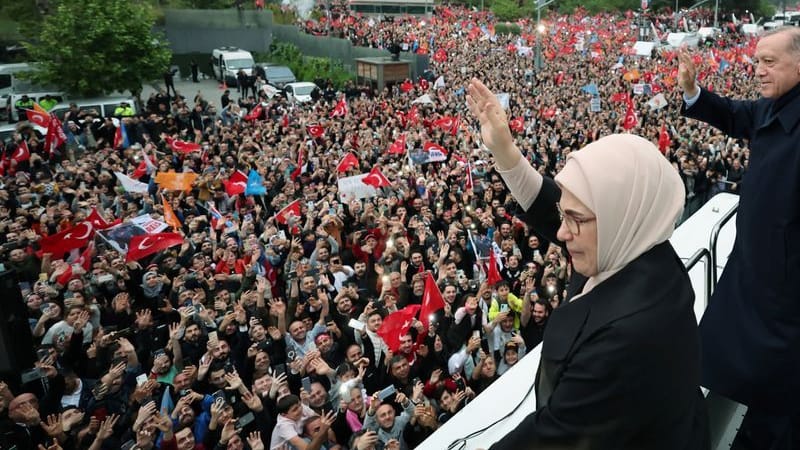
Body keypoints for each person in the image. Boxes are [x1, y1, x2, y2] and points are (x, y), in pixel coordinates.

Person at [466, 78, 708, 449]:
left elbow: (551, 440)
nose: (561, 233)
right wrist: (505, 152)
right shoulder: (640, 249)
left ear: (619, 217)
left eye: (574, 219)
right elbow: (556, 208)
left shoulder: (624, 341)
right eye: (564, 216)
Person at [679, 26, 800, 448]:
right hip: (758, 273)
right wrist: (694, 92)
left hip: (786, 289)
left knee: (780, 387)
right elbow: (733, 114)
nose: (758, 71)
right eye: (756, 61)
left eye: (770, 62)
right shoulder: (773, 106)